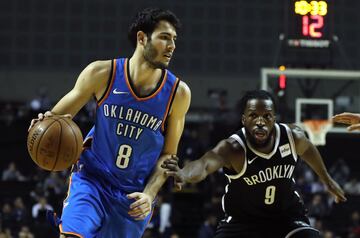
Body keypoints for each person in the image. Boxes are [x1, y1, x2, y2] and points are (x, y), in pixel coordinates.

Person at [28, 7, 191, 238]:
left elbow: (168, 155)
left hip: (133, 195)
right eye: (164, 37)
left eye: (174, 39)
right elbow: (56, 119)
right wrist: (42, 125)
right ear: (142, 38)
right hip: (92, 178)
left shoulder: (178, 94)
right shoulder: (102, 73)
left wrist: (150, 194)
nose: (172, 46)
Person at [162, 90, 346, 238]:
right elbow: (204, 164)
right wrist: (184, 174)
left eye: (267, 116)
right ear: (244, 120)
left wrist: (328, 181)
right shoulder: (233, 148)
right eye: (253, 116)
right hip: (242, 222)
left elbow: (308, 150)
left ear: (274, 118)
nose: (260, 122)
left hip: (286, 216)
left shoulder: (292, 137)